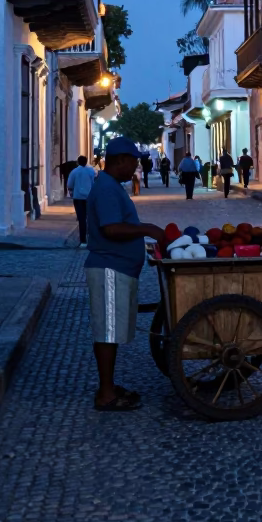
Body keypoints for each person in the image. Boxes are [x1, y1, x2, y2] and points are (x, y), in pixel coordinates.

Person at [84, 136, 165, 411]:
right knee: (107, 333)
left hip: (118, 267)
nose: (135, 168)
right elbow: (111, 229)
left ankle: (108, 385)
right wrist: (148, 229)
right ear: (120, 161)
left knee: (112, 330)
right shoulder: (107, 188)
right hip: (109, 267)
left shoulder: (112, 186)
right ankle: (106, 394)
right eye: (133, 162)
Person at [66, 154, 97, 247]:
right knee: (91, 218)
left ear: (78, 162)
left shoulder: (74, 172)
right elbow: (95, 182)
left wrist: (71, 192)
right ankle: (92, 238)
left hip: (78, 198)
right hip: (89, 197)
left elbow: (70, 184)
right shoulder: (91, 171)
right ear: (86, 161)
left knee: (81, 219)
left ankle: (83, 241)